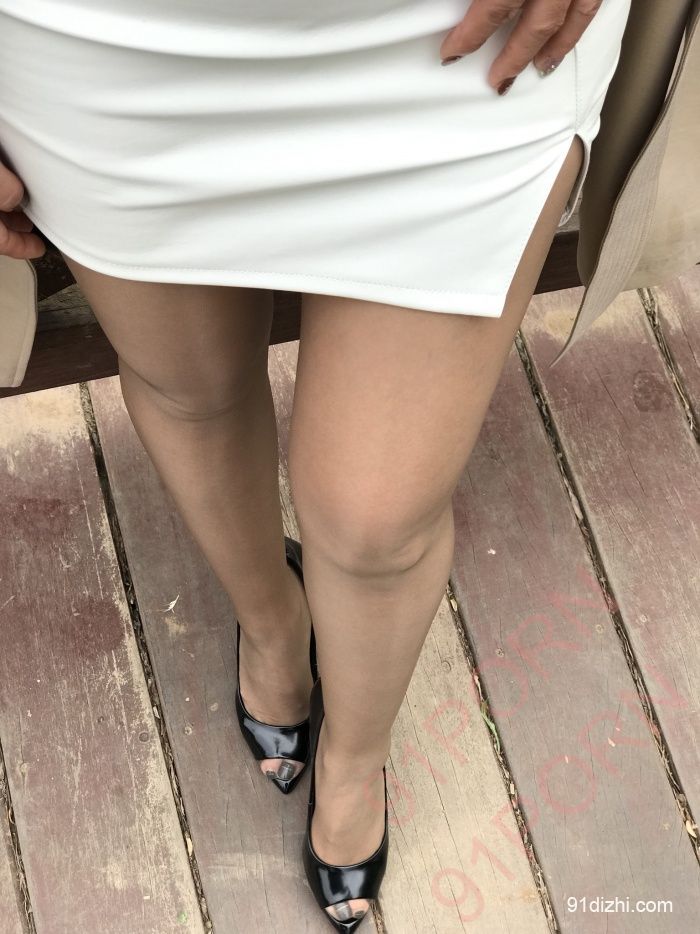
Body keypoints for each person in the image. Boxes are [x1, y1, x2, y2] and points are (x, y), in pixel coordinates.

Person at [0, 1, 632, 929]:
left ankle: (353, 758)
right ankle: (271, 623)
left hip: (460, 43)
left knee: (378, 520)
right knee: (190, 388)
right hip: (99, 50)